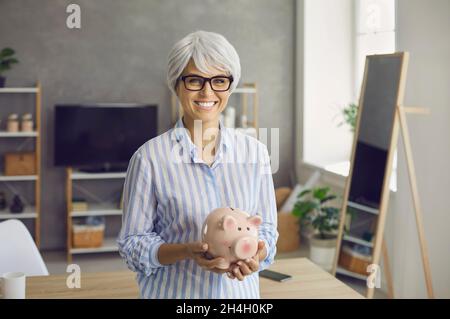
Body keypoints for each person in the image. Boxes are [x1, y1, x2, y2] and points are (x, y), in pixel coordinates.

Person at [118, 30, 278, 299]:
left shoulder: (256, 153)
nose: (207, 92)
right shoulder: (149, 159)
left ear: (231, 85)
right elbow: (132, 245)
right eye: (194, 80)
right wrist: (185, 251)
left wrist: (256, 254)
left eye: (219, 81)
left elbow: (268, 231)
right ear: (176, 84)